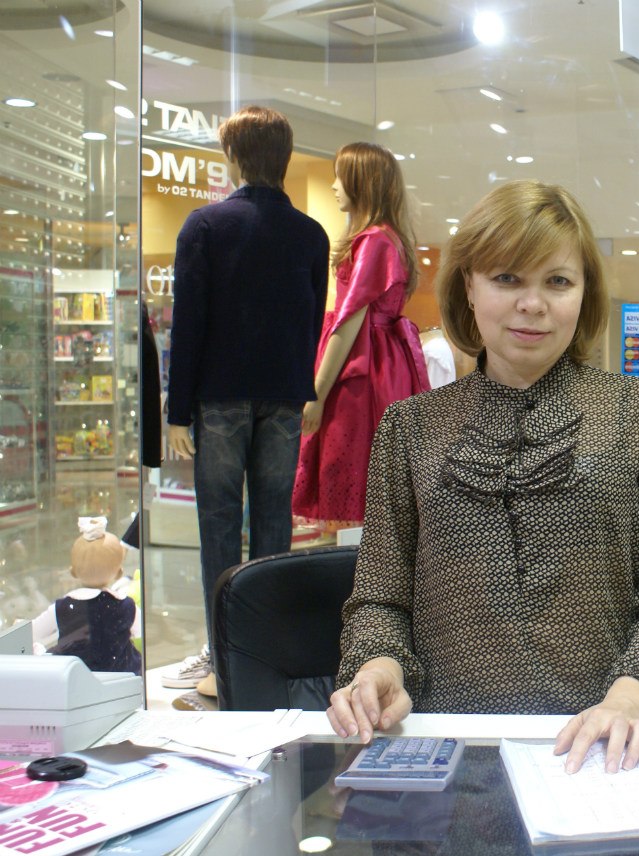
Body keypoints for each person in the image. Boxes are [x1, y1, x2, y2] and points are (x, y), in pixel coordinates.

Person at [326, 180, 639, 775]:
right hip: (447, 749)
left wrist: (631, 695)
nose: (533, 303)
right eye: (507, 278)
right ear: (468, 287)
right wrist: (379, 667)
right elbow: (380, 597)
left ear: (584, 293)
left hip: (601, 749)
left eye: (558, 281)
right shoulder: (410, 427)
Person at [164, 105, 330, 698]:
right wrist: (300, 386)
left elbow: (189, 323)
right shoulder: (311, 234)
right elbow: (311, 323)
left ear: (233, 156)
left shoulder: (205, 226)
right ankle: (268, 654)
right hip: (283, 395)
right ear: (283, 158)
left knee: (218, 524)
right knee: (273, 523)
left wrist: (177, 410)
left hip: (221, 396)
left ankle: (221, 656)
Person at [293, 142, 429, 527]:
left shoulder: (374, 241)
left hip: (363, 369)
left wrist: (317, 394)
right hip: (382, 363)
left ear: (361, 182)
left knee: (356, 473)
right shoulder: (388, 238)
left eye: (341, 177)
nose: (334, 185)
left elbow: (350, 319)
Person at [31, 517, 140, 676]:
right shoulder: (126, 605)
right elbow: (141, 631)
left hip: (76, 679)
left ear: (72, 571)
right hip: (121, 676)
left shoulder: (62, 607)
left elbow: (34, 631)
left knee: (40, 653)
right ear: (119, 572)